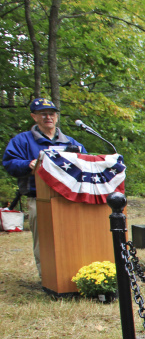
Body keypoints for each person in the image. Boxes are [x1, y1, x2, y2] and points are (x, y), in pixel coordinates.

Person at [2, 97, 85, 278]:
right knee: (45, 240)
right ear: (34, 117)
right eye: (43, 114)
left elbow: (85, 162)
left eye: (52, 113)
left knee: (72, 238)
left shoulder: (71, 142)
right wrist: (28, 164)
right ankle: (48, 278)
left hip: (69, 198)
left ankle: (72, 275)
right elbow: (9, 163)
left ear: (56, 117)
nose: (48, 117)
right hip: (39, 197)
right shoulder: (22, 141)